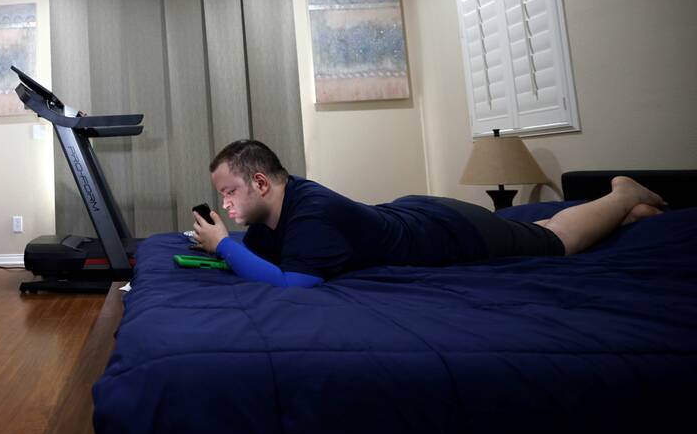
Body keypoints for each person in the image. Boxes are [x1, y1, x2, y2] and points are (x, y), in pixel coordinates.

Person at [191, 139, 667, 288]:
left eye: (230, 192)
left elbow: (294, 286)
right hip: (410, 214)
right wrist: (219, 247)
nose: (227, 204)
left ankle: (621, 195)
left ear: (260, 182)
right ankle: (625, 217)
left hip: (450, 230)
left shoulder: (311, 214)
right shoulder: (275, 213)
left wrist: (226, 245)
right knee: (536, 227)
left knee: (553, 235)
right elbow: (256, 255)